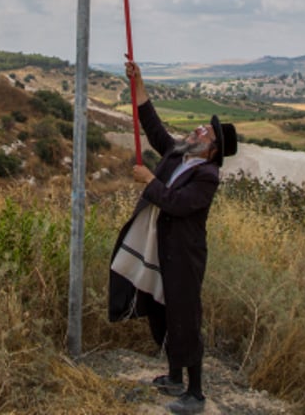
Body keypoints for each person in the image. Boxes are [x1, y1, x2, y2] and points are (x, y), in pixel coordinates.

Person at [108, 59, 238, 415]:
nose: (197, 130)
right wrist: (139, 83)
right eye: (200, 128)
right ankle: (174, 377)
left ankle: (195, 394)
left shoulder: (207, 176)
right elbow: (152, 127)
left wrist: (149, 182)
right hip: (161, 248)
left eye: (204, 133)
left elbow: (179, 205)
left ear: (212, 150)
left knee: (184, 317)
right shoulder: (179, 154)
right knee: (160, 310)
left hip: (183, 255)